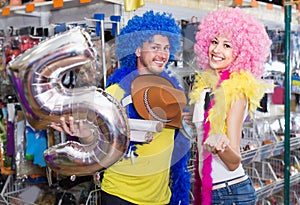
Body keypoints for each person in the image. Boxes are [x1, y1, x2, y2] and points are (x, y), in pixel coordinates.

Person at [51, 11, 191, 205]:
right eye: (155, 47)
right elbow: (99, 144)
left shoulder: (172, 91)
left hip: (160, 198)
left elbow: (177, 142)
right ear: (137, 49)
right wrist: (84, 133)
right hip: (121, 196)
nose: (162, 54)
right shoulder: (115, 93)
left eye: (167, 48)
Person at [189, 8, 272, 205]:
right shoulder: (206, 85)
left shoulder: (236, 93)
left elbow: (234, 161)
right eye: (214, 42)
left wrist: (220, 145)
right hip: (212, 190)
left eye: (227, 45)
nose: (217, 50)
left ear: (242, 53)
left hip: (230, 193)